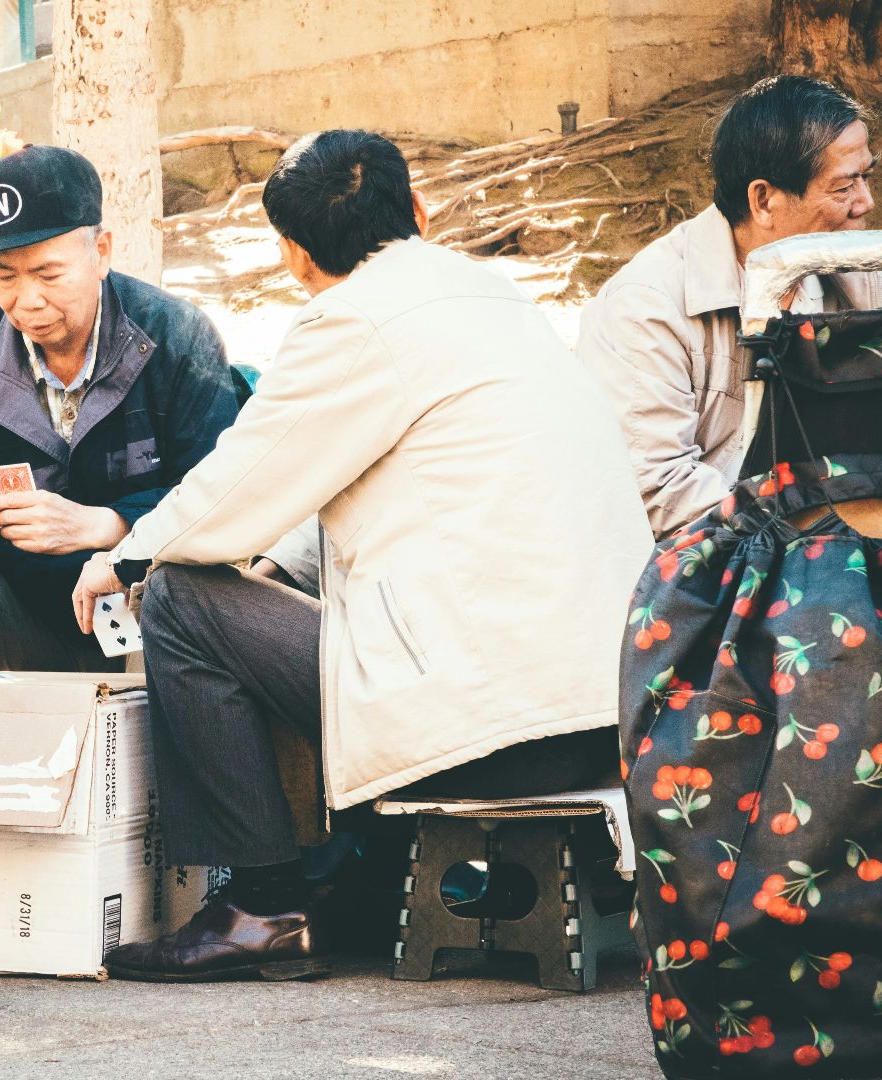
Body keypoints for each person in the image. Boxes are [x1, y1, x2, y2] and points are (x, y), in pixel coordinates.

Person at [71, 130, 653, 982]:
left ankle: (261, 906)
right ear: (419, 209)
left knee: (182, 601)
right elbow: (373, 483)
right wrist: (275, 574)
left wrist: (128, 558)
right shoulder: (493, 299)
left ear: (294, 256)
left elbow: (244, 482)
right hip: (611, 715)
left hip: (501, 731)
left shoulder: (352, 320)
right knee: (280, 610)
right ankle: (352, 877)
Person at [0, 146, 239, 672]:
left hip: (152, 617)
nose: (27, 300)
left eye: (48, 274)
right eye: (4, 275)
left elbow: (223, 496)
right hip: (16, 618)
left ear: (101, 252)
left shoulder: (177, 338)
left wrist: (112, 525)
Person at [579, 75, 882, 538]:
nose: (865, 203)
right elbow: (658, 491)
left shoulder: (860, 274)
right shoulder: (646, 308)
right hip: (719, 554)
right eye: (843, 187)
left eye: (866, 177)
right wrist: (822, 528)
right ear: (764, 200)